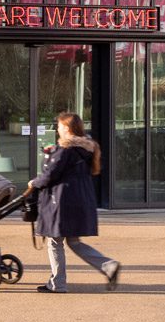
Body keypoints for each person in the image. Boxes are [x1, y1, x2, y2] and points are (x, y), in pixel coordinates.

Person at [25, 111, 121, 293]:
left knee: (55, 241)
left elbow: (50, 176)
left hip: (62, 203)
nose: (57, 129)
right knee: (74, 242)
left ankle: (57, 284)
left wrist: (33, 183)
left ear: (67, 128)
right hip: (80, 201)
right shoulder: (87, 149)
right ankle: (108, 265)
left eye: (60, 126)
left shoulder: (65, 150)